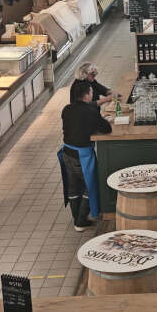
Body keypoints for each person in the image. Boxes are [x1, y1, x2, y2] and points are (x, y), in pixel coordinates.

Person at [58, 79, 112, 229]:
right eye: (91, 92)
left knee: (73, 186)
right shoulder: (90, 111)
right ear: (87, 95)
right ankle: (81, 220)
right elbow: (107, 129)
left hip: (66, 153)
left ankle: (76, 218)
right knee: (91, 185)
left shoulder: (66, 109)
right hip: (82, 156)